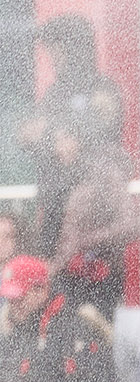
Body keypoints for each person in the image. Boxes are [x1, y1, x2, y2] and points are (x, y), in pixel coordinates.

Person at [17, 14, 125, 258]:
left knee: (94, 283)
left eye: (57, 50)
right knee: (50, 282)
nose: (52, 58)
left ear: (75, 48)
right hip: (55, 206)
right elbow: (30, 136)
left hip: (94, 211)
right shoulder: (53, 93)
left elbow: (94, 136)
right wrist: (53, 137)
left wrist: (56, 136)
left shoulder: (102, 89)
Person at [0, 255, 109, 382]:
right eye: (10, 299)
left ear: (41, 290)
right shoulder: (17, 329)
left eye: (19, 297)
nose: (13, 305)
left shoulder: (74, 327)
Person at [48, 121, 139, 317]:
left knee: (97, 333)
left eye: (65, 139)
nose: (59, 147)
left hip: (100, 273)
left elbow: (130, 224)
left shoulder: (104, 174)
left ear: (80, 139)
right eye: (55, 141)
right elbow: (64, 234)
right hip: (68, 273)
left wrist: (91, 240)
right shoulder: (61, 177)